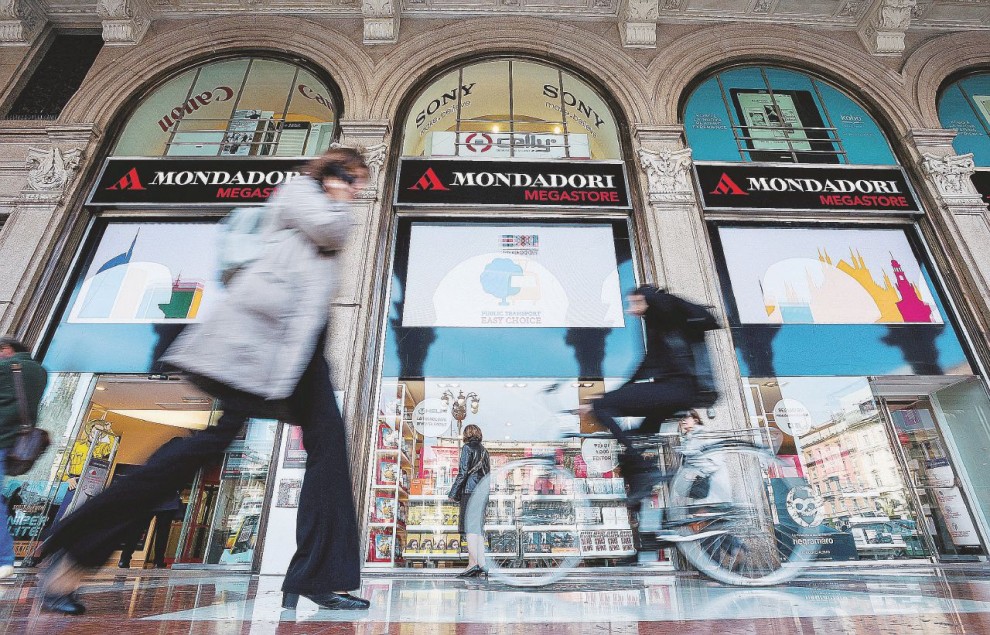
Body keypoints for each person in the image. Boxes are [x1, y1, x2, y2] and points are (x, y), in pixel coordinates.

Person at [38, 148, 370, 615]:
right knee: (206, 446)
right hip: (255, 342)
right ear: (329, 172)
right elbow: (330, 231)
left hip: (299, 349)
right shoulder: (303, 194)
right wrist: (338, 197)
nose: (356, 189)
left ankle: (318, 576)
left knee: (330, 453)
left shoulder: (323, 205)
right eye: (350, 178)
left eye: (358, 182)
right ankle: (71, 557)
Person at [583, 285, 718, 503]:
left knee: (601, 407)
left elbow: (672, 308)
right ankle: (648, 523)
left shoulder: (666, 311)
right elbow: (647, 363)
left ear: (649, 300)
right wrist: (622, 390)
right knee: (631, 445)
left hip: (677, 390)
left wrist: (608, 397)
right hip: (672, 392)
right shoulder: (658, 325)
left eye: (635, 303)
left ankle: (645, 468)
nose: (631, 309)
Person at [0, 337, 48, 581]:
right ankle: (4, 559)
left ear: (6, 350)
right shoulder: (39, 372)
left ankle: (3, 558)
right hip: (14, 441)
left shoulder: (6, 368)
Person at [448, 424, 490, 578]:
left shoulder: (467, 448)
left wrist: (453, 493)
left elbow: (463, 473)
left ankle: (473, 563)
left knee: (470, 529)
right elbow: (487, 476)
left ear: (466, 434)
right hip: (482, 492)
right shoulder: (485, 451)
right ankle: (482, 563)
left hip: (470, 491)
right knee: (478, 529)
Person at [117, 487, 182, 569]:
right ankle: (158, 561)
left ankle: (124, 559)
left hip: (149, 500)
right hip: (168, 501)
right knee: (162, 533)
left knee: (138, 529)